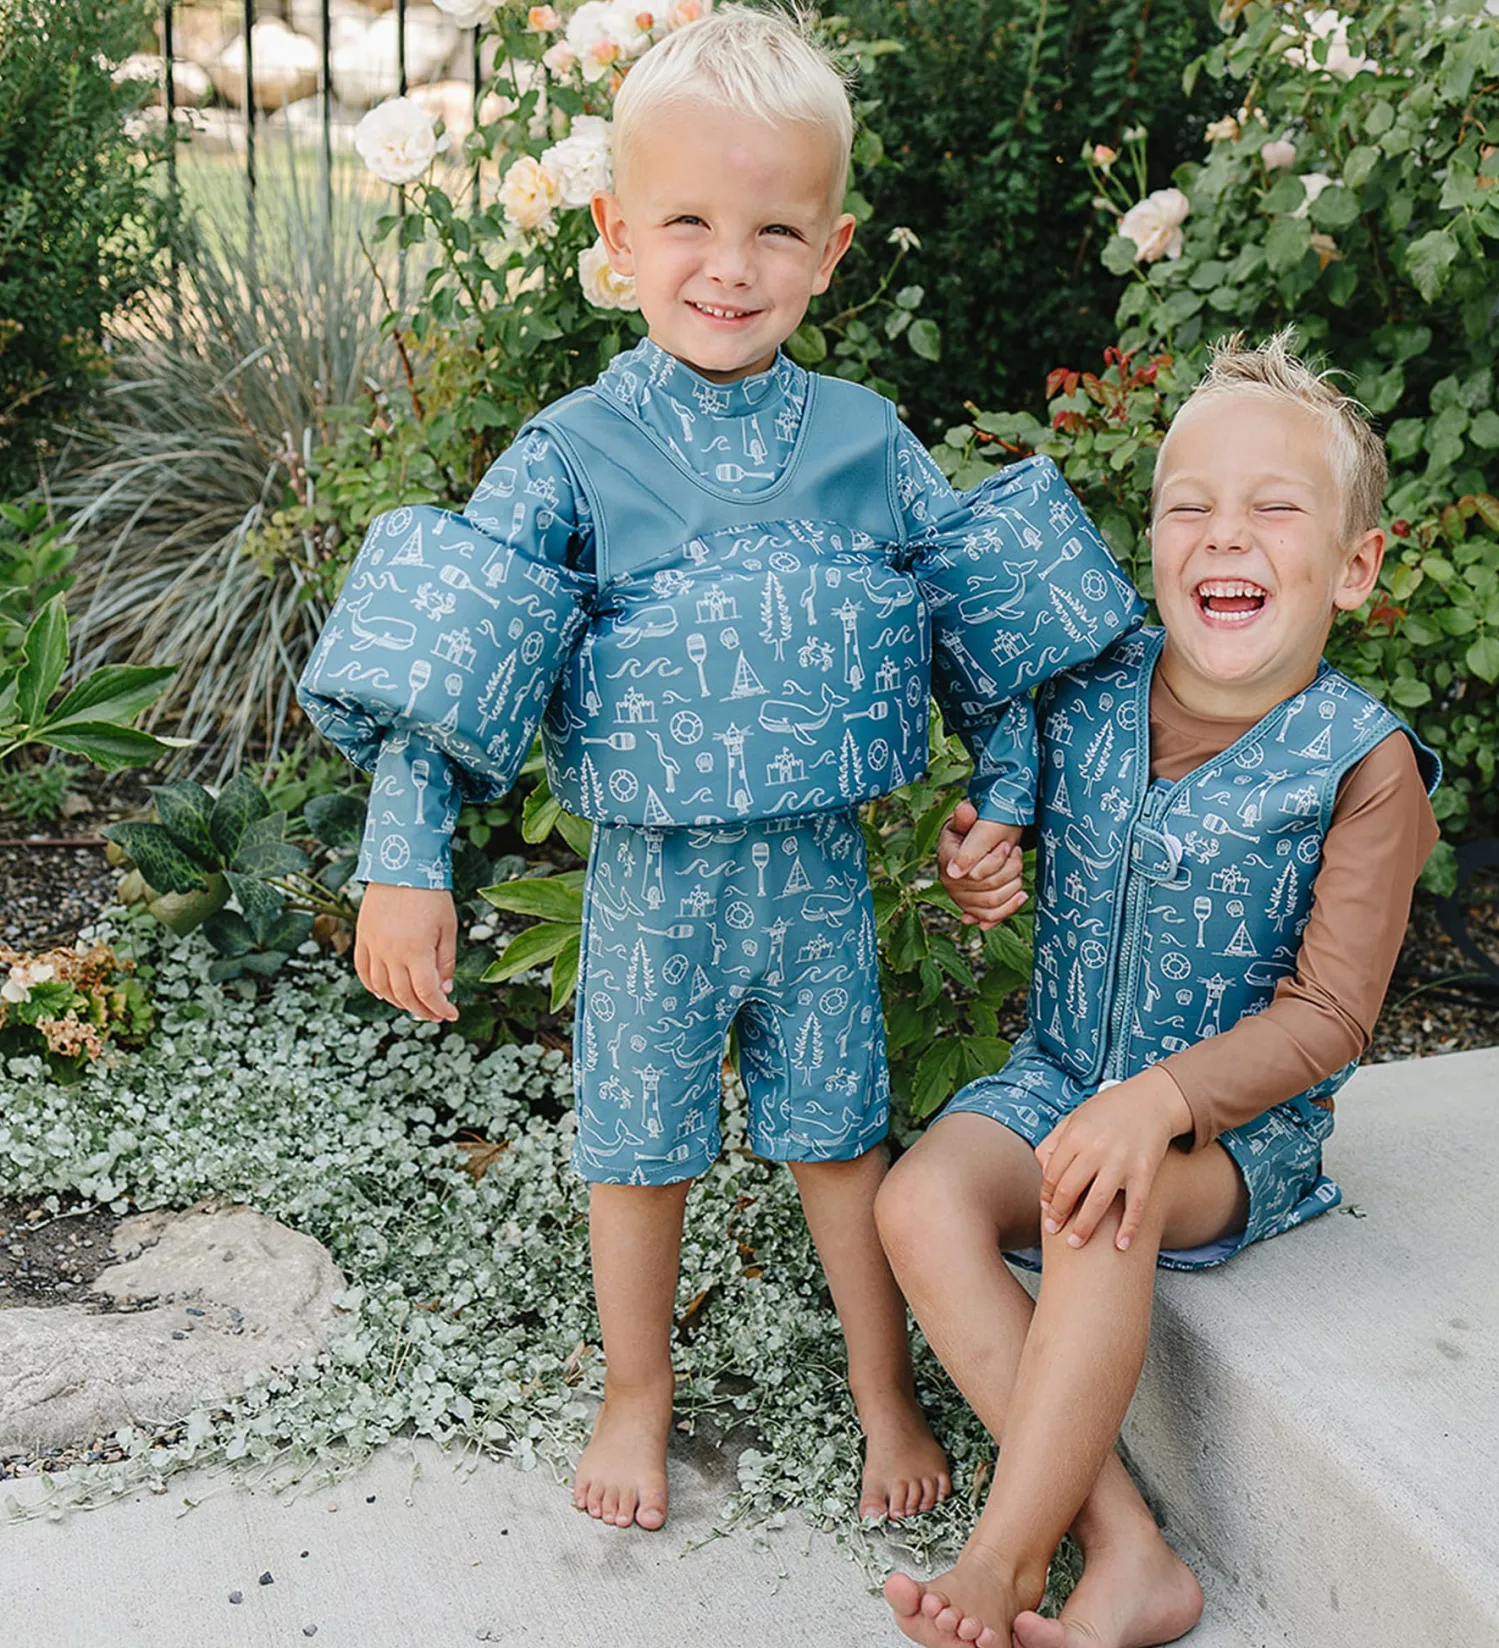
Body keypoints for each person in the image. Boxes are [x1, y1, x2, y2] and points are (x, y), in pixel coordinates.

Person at [296, 7, 1141, 1538]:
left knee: (841, 1145)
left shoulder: (866, 440)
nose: (729, 266)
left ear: (832, 250)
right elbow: (453, 648)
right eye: (686, 223)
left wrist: (1004, 801)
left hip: (816, 887)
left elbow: (990, 614)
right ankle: (637, 1392)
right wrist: (406, 859)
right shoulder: (570, 452)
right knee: (638, 1154)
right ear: (615, 235)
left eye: (775, 231)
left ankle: (882, 1391)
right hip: (653, 892)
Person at [875, 333, 1441, 1647]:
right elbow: (1003, 826)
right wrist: (982, 863)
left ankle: (1006, 1560)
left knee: (1098, 1199)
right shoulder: (1086, 690)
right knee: (920, 1200)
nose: (1224, 533)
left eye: (1274, 509)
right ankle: (1130, 1550)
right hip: (1061, 1074)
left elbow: (1332, 1016)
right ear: (1154, 543)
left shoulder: (1362, 765)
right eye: (1191, 506)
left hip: (1231, 1136)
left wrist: (1161, 1104)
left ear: (1355, 567)